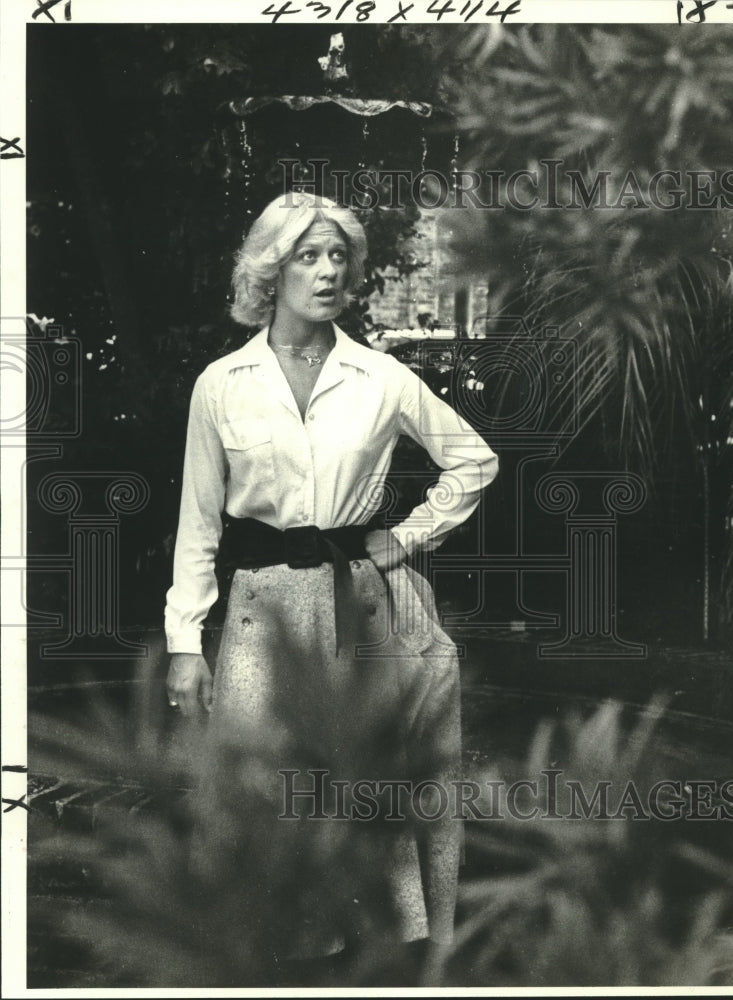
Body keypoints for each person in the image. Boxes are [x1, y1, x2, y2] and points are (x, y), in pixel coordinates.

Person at [164, 191, 498, 969]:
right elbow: (199, 523)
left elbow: (473, 459)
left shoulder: (380, 377)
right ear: (271, 268)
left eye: (337, 256)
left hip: (368, 605)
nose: (325, 271)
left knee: (372, 786)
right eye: (307, 256)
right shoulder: (222, 384)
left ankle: (385, 956)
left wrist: (407, 538)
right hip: (262, 609)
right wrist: (186, 642)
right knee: (263, 786)